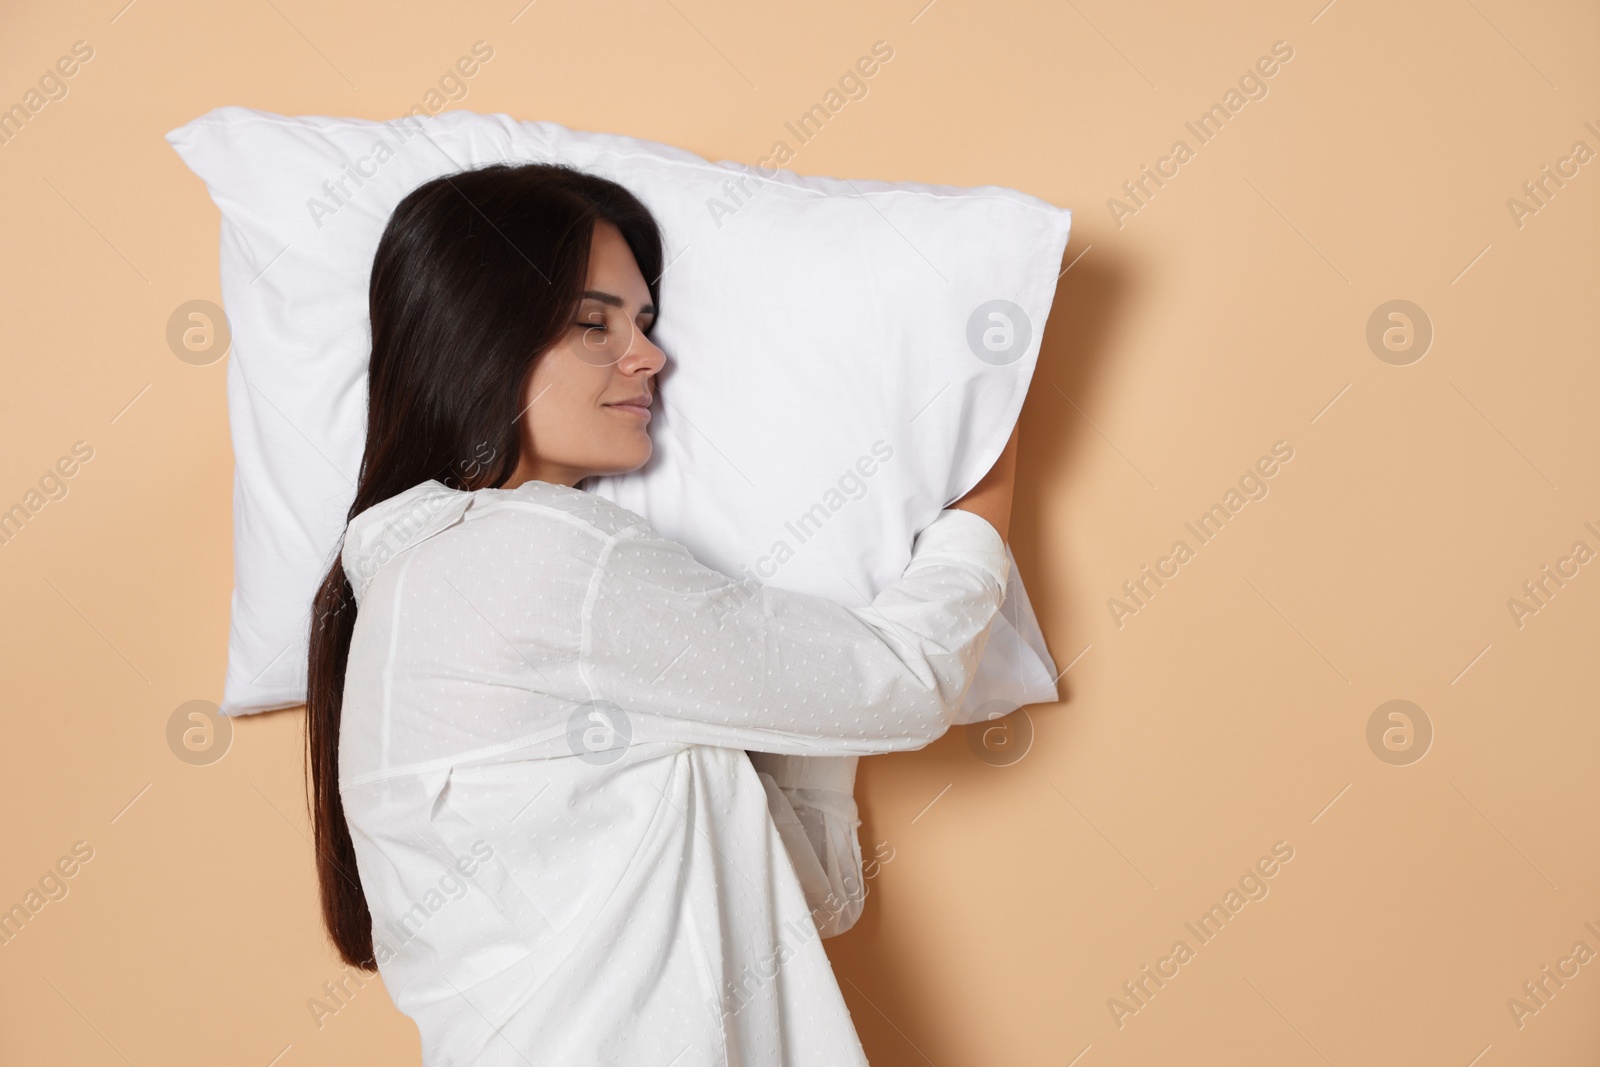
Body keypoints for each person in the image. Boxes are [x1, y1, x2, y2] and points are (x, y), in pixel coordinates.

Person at [304, 161, 1019, 1066]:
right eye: (591, 324)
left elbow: (813, 889)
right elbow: (907, 682)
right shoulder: (537, 557)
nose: (649, 355)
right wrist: (986, 464)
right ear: (478, 336)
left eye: (643, 322)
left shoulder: (405, 592)